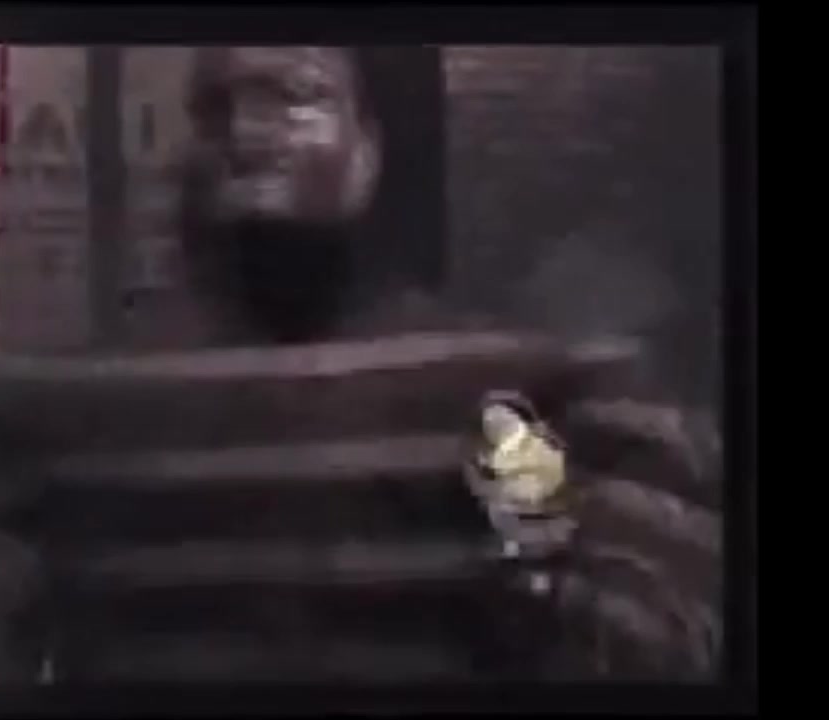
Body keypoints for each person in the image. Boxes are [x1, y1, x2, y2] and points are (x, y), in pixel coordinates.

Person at [167, 46, 721, 679]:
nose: (245, 134)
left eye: (291, 97)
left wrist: (532, 554)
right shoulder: (133, 402)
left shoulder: (487, 389)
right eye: (213, 109)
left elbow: (630, 632)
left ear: (368, 150)